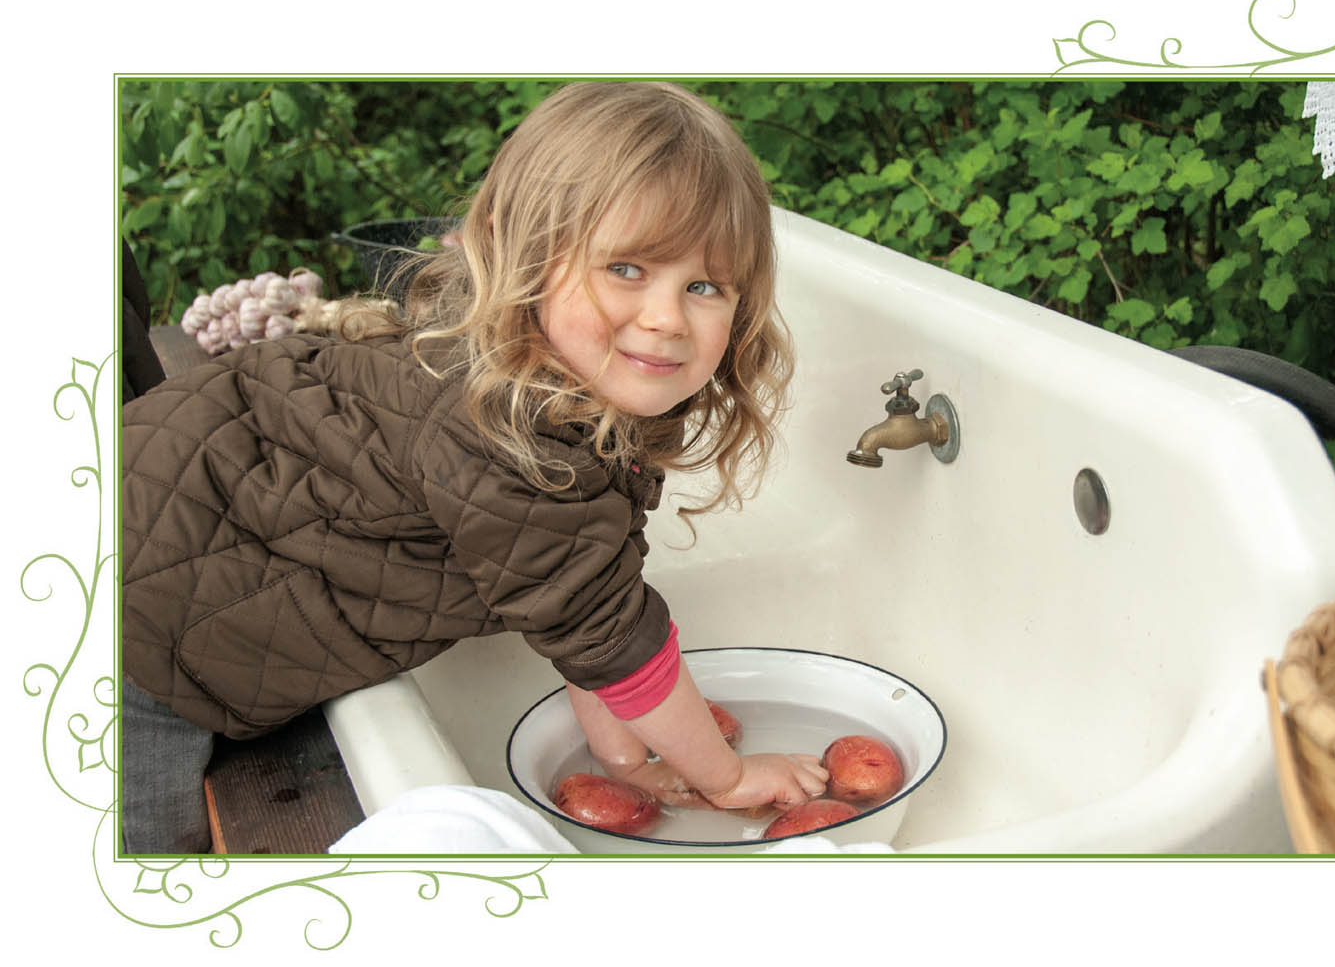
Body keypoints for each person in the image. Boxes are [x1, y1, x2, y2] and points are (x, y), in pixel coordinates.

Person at [120, 81, 826, 854]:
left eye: (703, 286)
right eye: (626, 268)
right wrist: (726, 779)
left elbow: (591, 622)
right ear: (522, 254)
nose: (665, 317)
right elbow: (610, 636)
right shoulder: (518, 440)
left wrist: (626, 758)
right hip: (133, 629)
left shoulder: (527, 377)